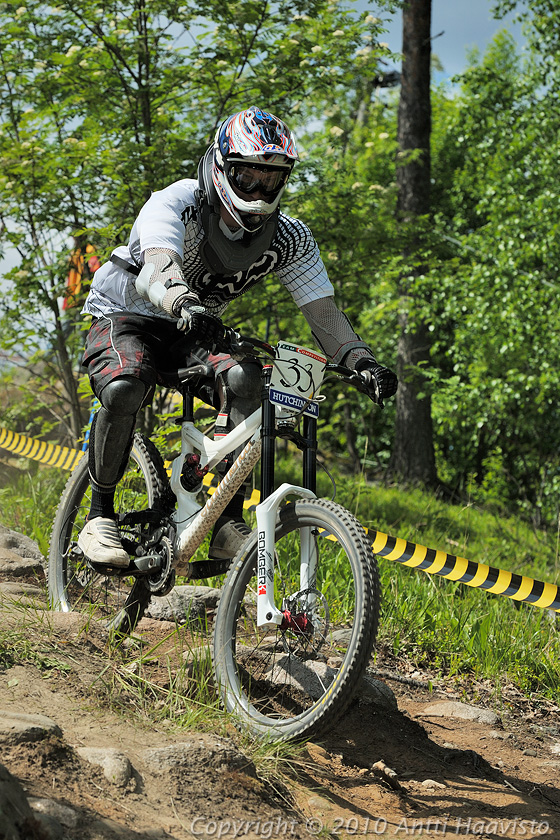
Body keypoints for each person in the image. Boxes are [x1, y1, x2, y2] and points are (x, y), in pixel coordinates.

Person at [77, 106, 398, 568]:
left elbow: (323, 313)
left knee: (250, 380)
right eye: (246, 176)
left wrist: (361, 361)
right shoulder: (176, 201)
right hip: (127, 313)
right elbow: (157, 267)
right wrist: (184, 302)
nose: (259, 189)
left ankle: (224, 523)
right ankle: (99, 515)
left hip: (196, 327)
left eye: (271, 178)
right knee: (126, 385)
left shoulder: (288, 237)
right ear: (219, 165)